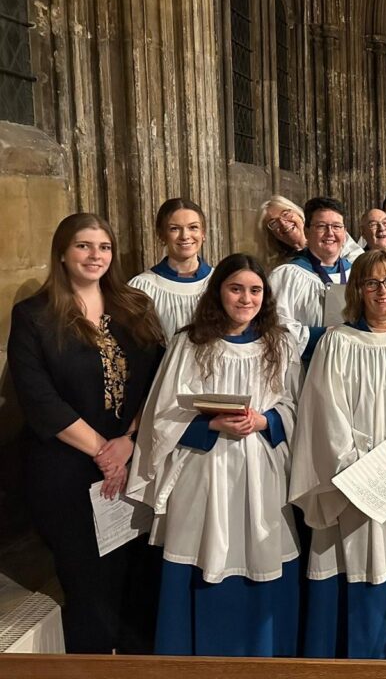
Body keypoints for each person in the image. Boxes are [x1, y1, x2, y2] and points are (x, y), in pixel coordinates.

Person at [127, 254, 302, 656]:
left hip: (262, 467)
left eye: (255, 290)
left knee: (264, 553)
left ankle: (266, 657)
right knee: (202, 552)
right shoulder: (190, 343)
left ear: (266, 295)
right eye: (235, 288)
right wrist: (211, 426)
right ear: (218, 291)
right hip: (203, 468)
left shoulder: (280, 342)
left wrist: (265, 421)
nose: (245, 298)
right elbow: (162, 414)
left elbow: (296, 406)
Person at [8, 213, 164, 653]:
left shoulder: (134, 306)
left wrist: (129, 441)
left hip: (133, 464)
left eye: (104, 247)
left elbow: (158, 378)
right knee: (88, 589)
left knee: (138, 583)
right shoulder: (35, 316)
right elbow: (38, 397)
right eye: (83, 245)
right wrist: (103, 451)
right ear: (61, 252)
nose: (95, 255)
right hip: (66, 474)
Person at [290, 251, 386, 659]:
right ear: (357, 290)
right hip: (357, 486)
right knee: (361, 563)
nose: (383, 291)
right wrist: (363, 471)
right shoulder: (337, 344)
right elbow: (323, 417)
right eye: (372, 283)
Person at [269, 196, 353, 362]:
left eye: (336, 226)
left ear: (344, 232)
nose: (330, 233)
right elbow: (276, 328)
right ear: (306, 231)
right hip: (307, 372)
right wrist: (326, 336)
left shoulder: (358, 272)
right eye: (322, 226)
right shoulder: (286, 276)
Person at [129, 198, 213, 343]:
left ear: (203, 233)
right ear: (162, 235)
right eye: (174, 228)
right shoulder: (141, 288)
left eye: (193, 227)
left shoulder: (220, 281)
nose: (185, 236)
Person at [257, 195, 306, 268]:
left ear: (298, 214)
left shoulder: (326, 246)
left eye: (285, 214)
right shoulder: (281, 268)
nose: (283, 223)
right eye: (273, 223)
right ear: (271, 234)